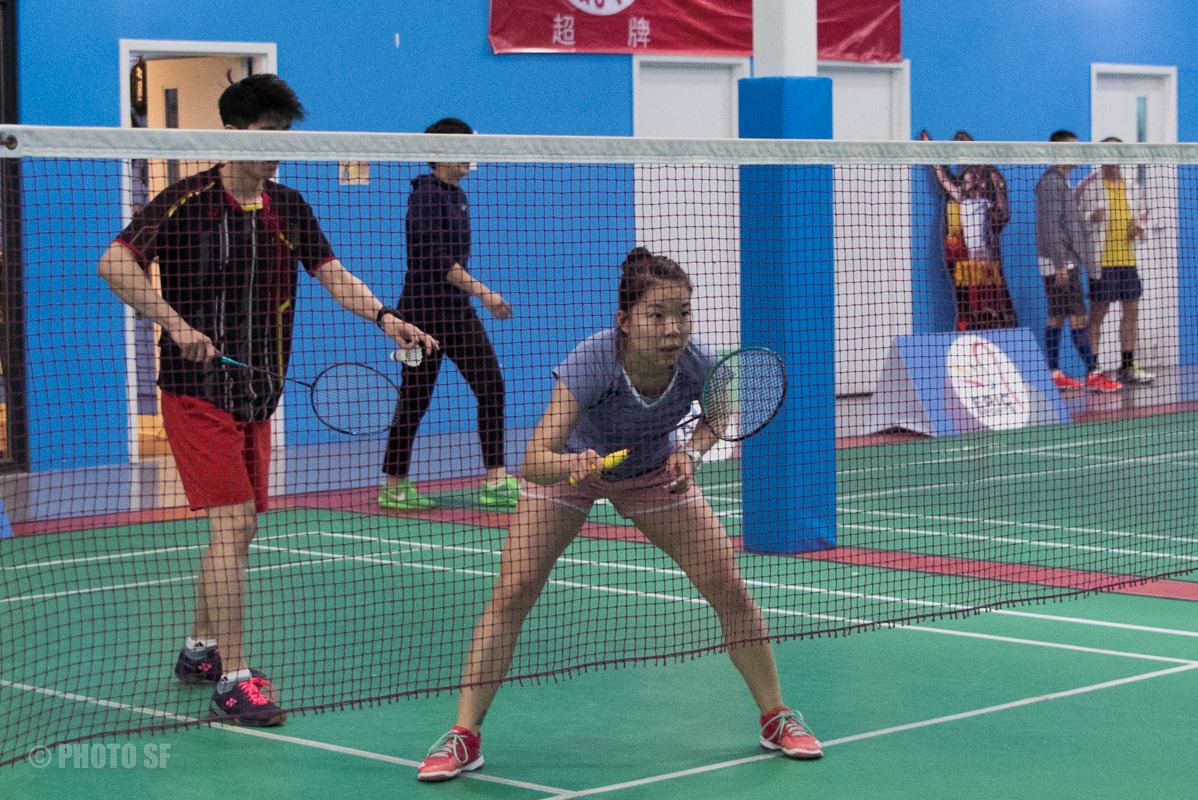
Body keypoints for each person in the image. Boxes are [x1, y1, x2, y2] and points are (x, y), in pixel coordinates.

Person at [97, 74, 438, 727]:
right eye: (267, 134)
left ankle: (200, 650)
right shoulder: (185, 200)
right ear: (232, 135)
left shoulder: (289, 205)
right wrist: (173, 323)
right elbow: (114, 263)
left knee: (242, 528)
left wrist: (386, 318)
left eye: (285, 134)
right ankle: (233, 679)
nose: (278, 146)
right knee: (233, 527)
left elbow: (332, 274)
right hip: (196, 390)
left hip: (258, 391)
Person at [415, 247, 823, 782]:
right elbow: (533, 461)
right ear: (625, 320)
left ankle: (776, 717)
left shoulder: (698, 362)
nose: (673, 328)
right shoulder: (593, 360)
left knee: (728, 586)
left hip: (652, 473)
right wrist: (573, 464)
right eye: (658, 315)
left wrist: (691, 453)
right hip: (572, 472)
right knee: (513, 590)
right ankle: (464, 735)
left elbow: (719, 414)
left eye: (683, 313)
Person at [379, 117, 518, 511]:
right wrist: (485, 293)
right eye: (461, 147)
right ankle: (394, 485)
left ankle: (495, 480)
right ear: (440, 154)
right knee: (414, 399)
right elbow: (439, 262)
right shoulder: (425, 196)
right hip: (421, 316)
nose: (468, 155)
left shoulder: (458, 195)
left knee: (491, 385)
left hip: (456, 313)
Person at [1034, 130, 1121, 393]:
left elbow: (1064, 223)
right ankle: (1093, 374)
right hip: (1061, 263)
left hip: (1061, 261)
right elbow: (1051, 227)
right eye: (1073, 148)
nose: (1078, 153)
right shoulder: (1052, 183)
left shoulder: (1061, 181)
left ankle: (1054, 372)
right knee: (1078, 317)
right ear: (1060, 151)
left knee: (1057, 316)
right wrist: (1060, 264)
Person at [920, 129, 1017, 330]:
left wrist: (992, 220)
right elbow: (944, 180)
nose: (967, 180)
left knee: (992, 296)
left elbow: (1002, 212)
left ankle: (997, 327)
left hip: (986, 256)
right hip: (966, 257)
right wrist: (930, 149)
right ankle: (969, 328)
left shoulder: (990, 181)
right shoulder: (962, 194)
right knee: (968, 297)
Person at [1076, 137, 1154, 384]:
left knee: (1132, 310)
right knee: (1098, 313)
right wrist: (1090, 217)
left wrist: (1139, 229)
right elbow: (1074, 220)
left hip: (1127, 260)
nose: (1111, 159)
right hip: (1101, 261)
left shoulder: (1132, 185)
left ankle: (1128, 366)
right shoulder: (1088, 186)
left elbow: (1144, 215)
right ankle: (1094, 370)